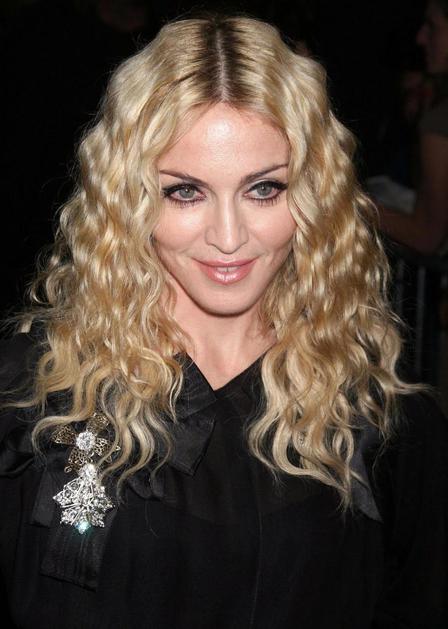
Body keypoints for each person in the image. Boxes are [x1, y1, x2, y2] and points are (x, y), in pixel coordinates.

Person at [0, 13, 447, 629]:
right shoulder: (30, 394)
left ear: (313, 193)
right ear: (129, 197)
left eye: (264, 189)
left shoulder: (379, 424)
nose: (229, 237)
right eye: (185, 191)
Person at [377, 0, 448, 255]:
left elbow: (427, 236)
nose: (421, 38)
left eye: (432, 26)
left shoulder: (438, 122)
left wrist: (351, 203)